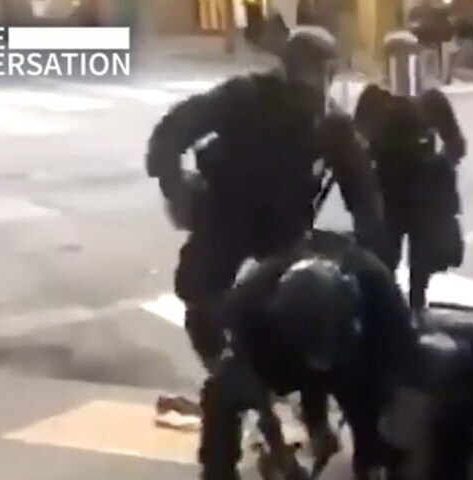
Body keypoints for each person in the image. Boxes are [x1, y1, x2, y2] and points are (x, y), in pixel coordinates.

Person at [144, 26, 389, 373]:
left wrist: (370, 247)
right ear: (287, 68)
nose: (315, 82)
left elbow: (361, 189)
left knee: (302, 302)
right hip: (227, 214)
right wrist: (175, 187)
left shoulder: (331, 124)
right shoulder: (245, 96)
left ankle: (285, 379)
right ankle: (221, 373)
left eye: (323, 72)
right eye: (309, 70)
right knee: (202, 298)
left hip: (283, 226)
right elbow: (173, 130)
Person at [191, 230, 420, 480]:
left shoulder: (376, 286)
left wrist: (375, 430)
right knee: (224, 389)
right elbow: (237, 357)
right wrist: (276, 443)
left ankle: (372, 466)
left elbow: (401, 359)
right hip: (287, 349)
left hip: (354, 356)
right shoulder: (253, 297)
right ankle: (218, 479)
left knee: (378, 409)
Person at [354, 30, 467, 314]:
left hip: (421, 195)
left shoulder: (430, 100)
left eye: (407, 59)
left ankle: (416, 307)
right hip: (387, 191)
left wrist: (439, 167)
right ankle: (389, 311)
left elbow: (456, 144)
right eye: (395, 59)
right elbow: (355, 142)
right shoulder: (374, 99)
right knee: (383, 260)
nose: (402, 66)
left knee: (422, 264)